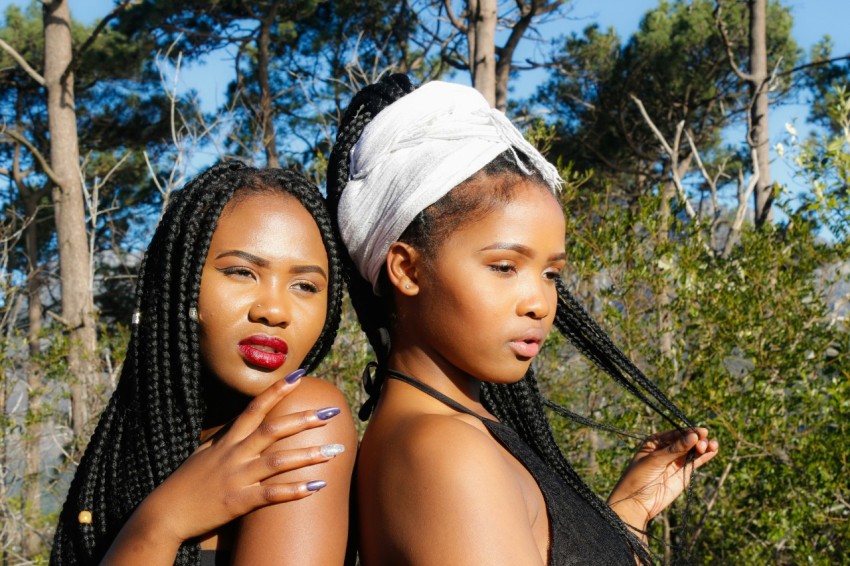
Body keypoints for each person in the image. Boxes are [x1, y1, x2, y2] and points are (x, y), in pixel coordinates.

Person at [326, 75, 719, 565]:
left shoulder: (467, 430)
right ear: (407, 268)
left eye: (551, 273)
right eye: (504, 267)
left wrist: (629, 514)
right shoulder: (445, 452)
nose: (539, 302)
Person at [51, 162, 357, 565]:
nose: (274, 310)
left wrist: (163, 522)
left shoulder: (300, 425)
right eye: (241, 272)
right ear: (179, 281)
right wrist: (164, 518)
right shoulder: (124, 455)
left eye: (304, 285)